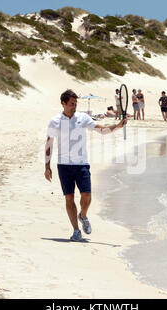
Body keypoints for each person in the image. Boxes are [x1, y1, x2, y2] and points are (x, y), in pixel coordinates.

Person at [45, 90, 127, 242]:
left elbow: (101, 130)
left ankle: (82, 216)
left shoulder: (82, 118)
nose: (74, 107)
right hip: (64, 165)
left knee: (87, 196)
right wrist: (47, 166)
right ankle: (76, 230)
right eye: (71, 104)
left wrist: (117, 126)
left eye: (75, 104)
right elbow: (49, 143)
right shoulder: (54, 121)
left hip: (82, 163)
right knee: (69, 198)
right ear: (63, 103)